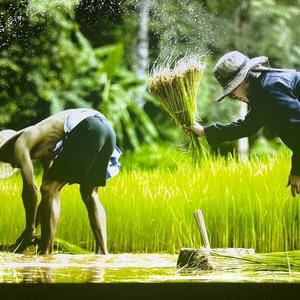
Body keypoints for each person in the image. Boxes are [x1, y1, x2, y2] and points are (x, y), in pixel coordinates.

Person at [0, 108, 121, 254]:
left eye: (4, 159)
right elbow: (47, 199)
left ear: (5, 149)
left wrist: (30, 229)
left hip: (87, 127)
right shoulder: (45, 143)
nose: (12, 165)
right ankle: (103, 253)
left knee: (49, 189)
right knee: (89, 193)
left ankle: (46, 253)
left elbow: (30, 189)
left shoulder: (21, 143)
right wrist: (32, 228)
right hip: (105, 129)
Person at [184, 51, 300, 197]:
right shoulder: (262, 92)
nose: (234, 97)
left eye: (232, 92)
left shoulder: (271, 89)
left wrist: (297, 171)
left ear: (243, 81)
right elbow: (245, 127)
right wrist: (204, 131)